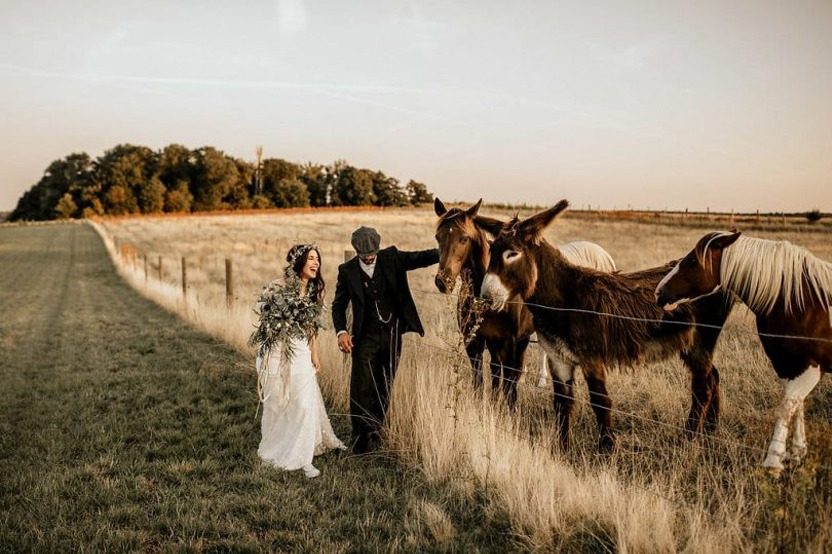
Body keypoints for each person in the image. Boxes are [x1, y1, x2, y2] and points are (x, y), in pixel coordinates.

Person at [332, 226, 439, 454]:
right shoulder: (347, 271)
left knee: (384, 385)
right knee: (361, 388)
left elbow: (420, 258)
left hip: (392, 335)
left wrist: (446, 251)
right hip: (364, 338)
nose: (370, 258)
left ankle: (375, 432)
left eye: (373, 253)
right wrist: (341, 331)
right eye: (365, 255)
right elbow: (338, 305)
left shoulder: (392, 258)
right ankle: (360, 441)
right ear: (356, 251)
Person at [252, 244, 346, 478]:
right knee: (278, 402)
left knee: (304, 403)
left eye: (318, 259)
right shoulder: (279, 286)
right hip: (277, 349)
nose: (316, 263)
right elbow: (260, 310)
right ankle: (278, 445)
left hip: (301, 350)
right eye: (311, 258)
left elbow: (312, 328)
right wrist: (276, 319)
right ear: (299, 261)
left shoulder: (316, 291)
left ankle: (304, 458)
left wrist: (315, 354)